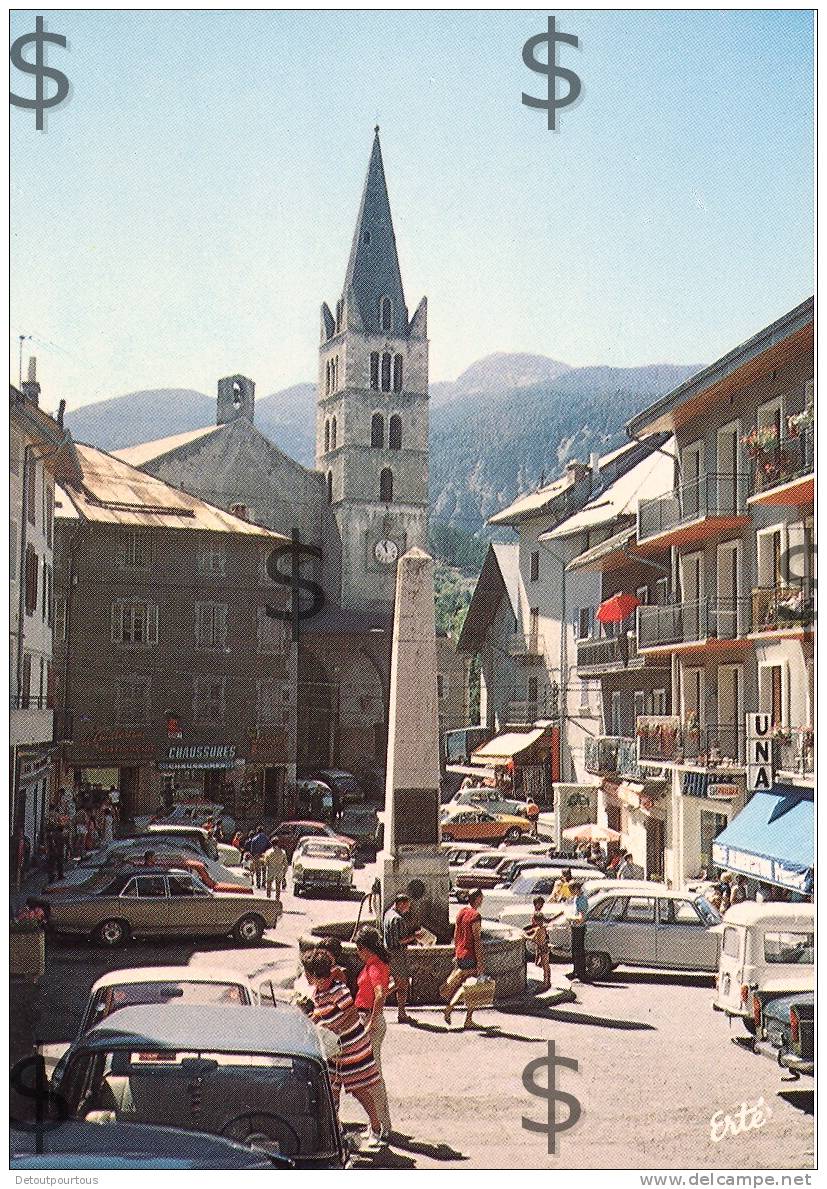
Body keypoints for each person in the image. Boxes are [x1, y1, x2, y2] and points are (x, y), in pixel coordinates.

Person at [302, 947, 385, 1150]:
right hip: (333, 1050)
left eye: (307, 972)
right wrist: (313, 1019)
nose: (304, 975)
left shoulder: (338, 990)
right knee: (331, 1090)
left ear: (316, 975)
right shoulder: (320, 991)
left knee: (358, 1089)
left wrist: (332, 1027)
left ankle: (376, 1127)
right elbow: (324, 1013)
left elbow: (351, 1014)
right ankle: (335, 1131)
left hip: (350, 1047)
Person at [353, 926, 392, 1140]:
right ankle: (380, 1123)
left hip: (369, 1019)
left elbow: (379, 995)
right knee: (371, 1074)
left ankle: (382, 1125)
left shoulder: (375, 966)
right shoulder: (377, 964)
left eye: (359, 949)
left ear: (367, 948)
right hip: (370, 1018)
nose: (358, 953)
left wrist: (370, 1022)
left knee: (372, 1076)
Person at [442, 888, 485, 1028]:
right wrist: (480, 962)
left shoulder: (461, 912)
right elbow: (477, 940)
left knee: (468, 985)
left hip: (461, 953)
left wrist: (456, 952)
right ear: (477, 898)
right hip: (470, 955)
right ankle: (456, 1011)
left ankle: (466, 1017)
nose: (482, 900)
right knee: (472, 987)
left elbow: (455, 935)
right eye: (481, 897)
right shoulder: (475, 916)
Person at [382, 894, 417, 1023]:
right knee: (402, 984)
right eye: (406, 906)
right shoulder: (398, 919)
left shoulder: (387, 914)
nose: (407, 909)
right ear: (400, 904)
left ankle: (401, 1013)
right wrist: (414, 936)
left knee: (398, 983)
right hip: (398, 955)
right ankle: (399, 1012)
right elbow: (400, 941)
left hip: (389, 953)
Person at [566, 880, 590, 983]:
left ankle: (581, 973)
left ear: (576, 889)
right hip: (575, 927)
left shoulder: (582, 900)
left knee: (579, 951)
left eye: (572, 890)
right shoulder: (577, 898)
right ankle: (576, 971)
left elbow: (581, 917)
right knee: (575, 950)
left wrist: (571, 918)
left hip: (579, 927)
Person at [526, 896, 551, 991]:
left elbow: (533, 938)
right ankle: (547, 981)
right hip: (543, 947)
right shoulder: (542, 927)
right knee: (546, 965)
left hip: (542, 947)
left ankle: (546, 982)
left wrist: (525, 936)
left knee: (545, 965)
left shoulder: (538, 929)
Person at [247, 824, 270, 890]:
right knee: (264, 870)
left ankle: (258, 884)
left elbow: (252, 849)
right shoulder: (266, 838)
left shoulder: (254, 839)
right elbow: (269, 846)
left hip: (256, 855)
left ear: (257, 831)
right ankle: (263, 883)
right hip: (264, 855)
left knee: (258, 871)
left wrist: (253, 856)